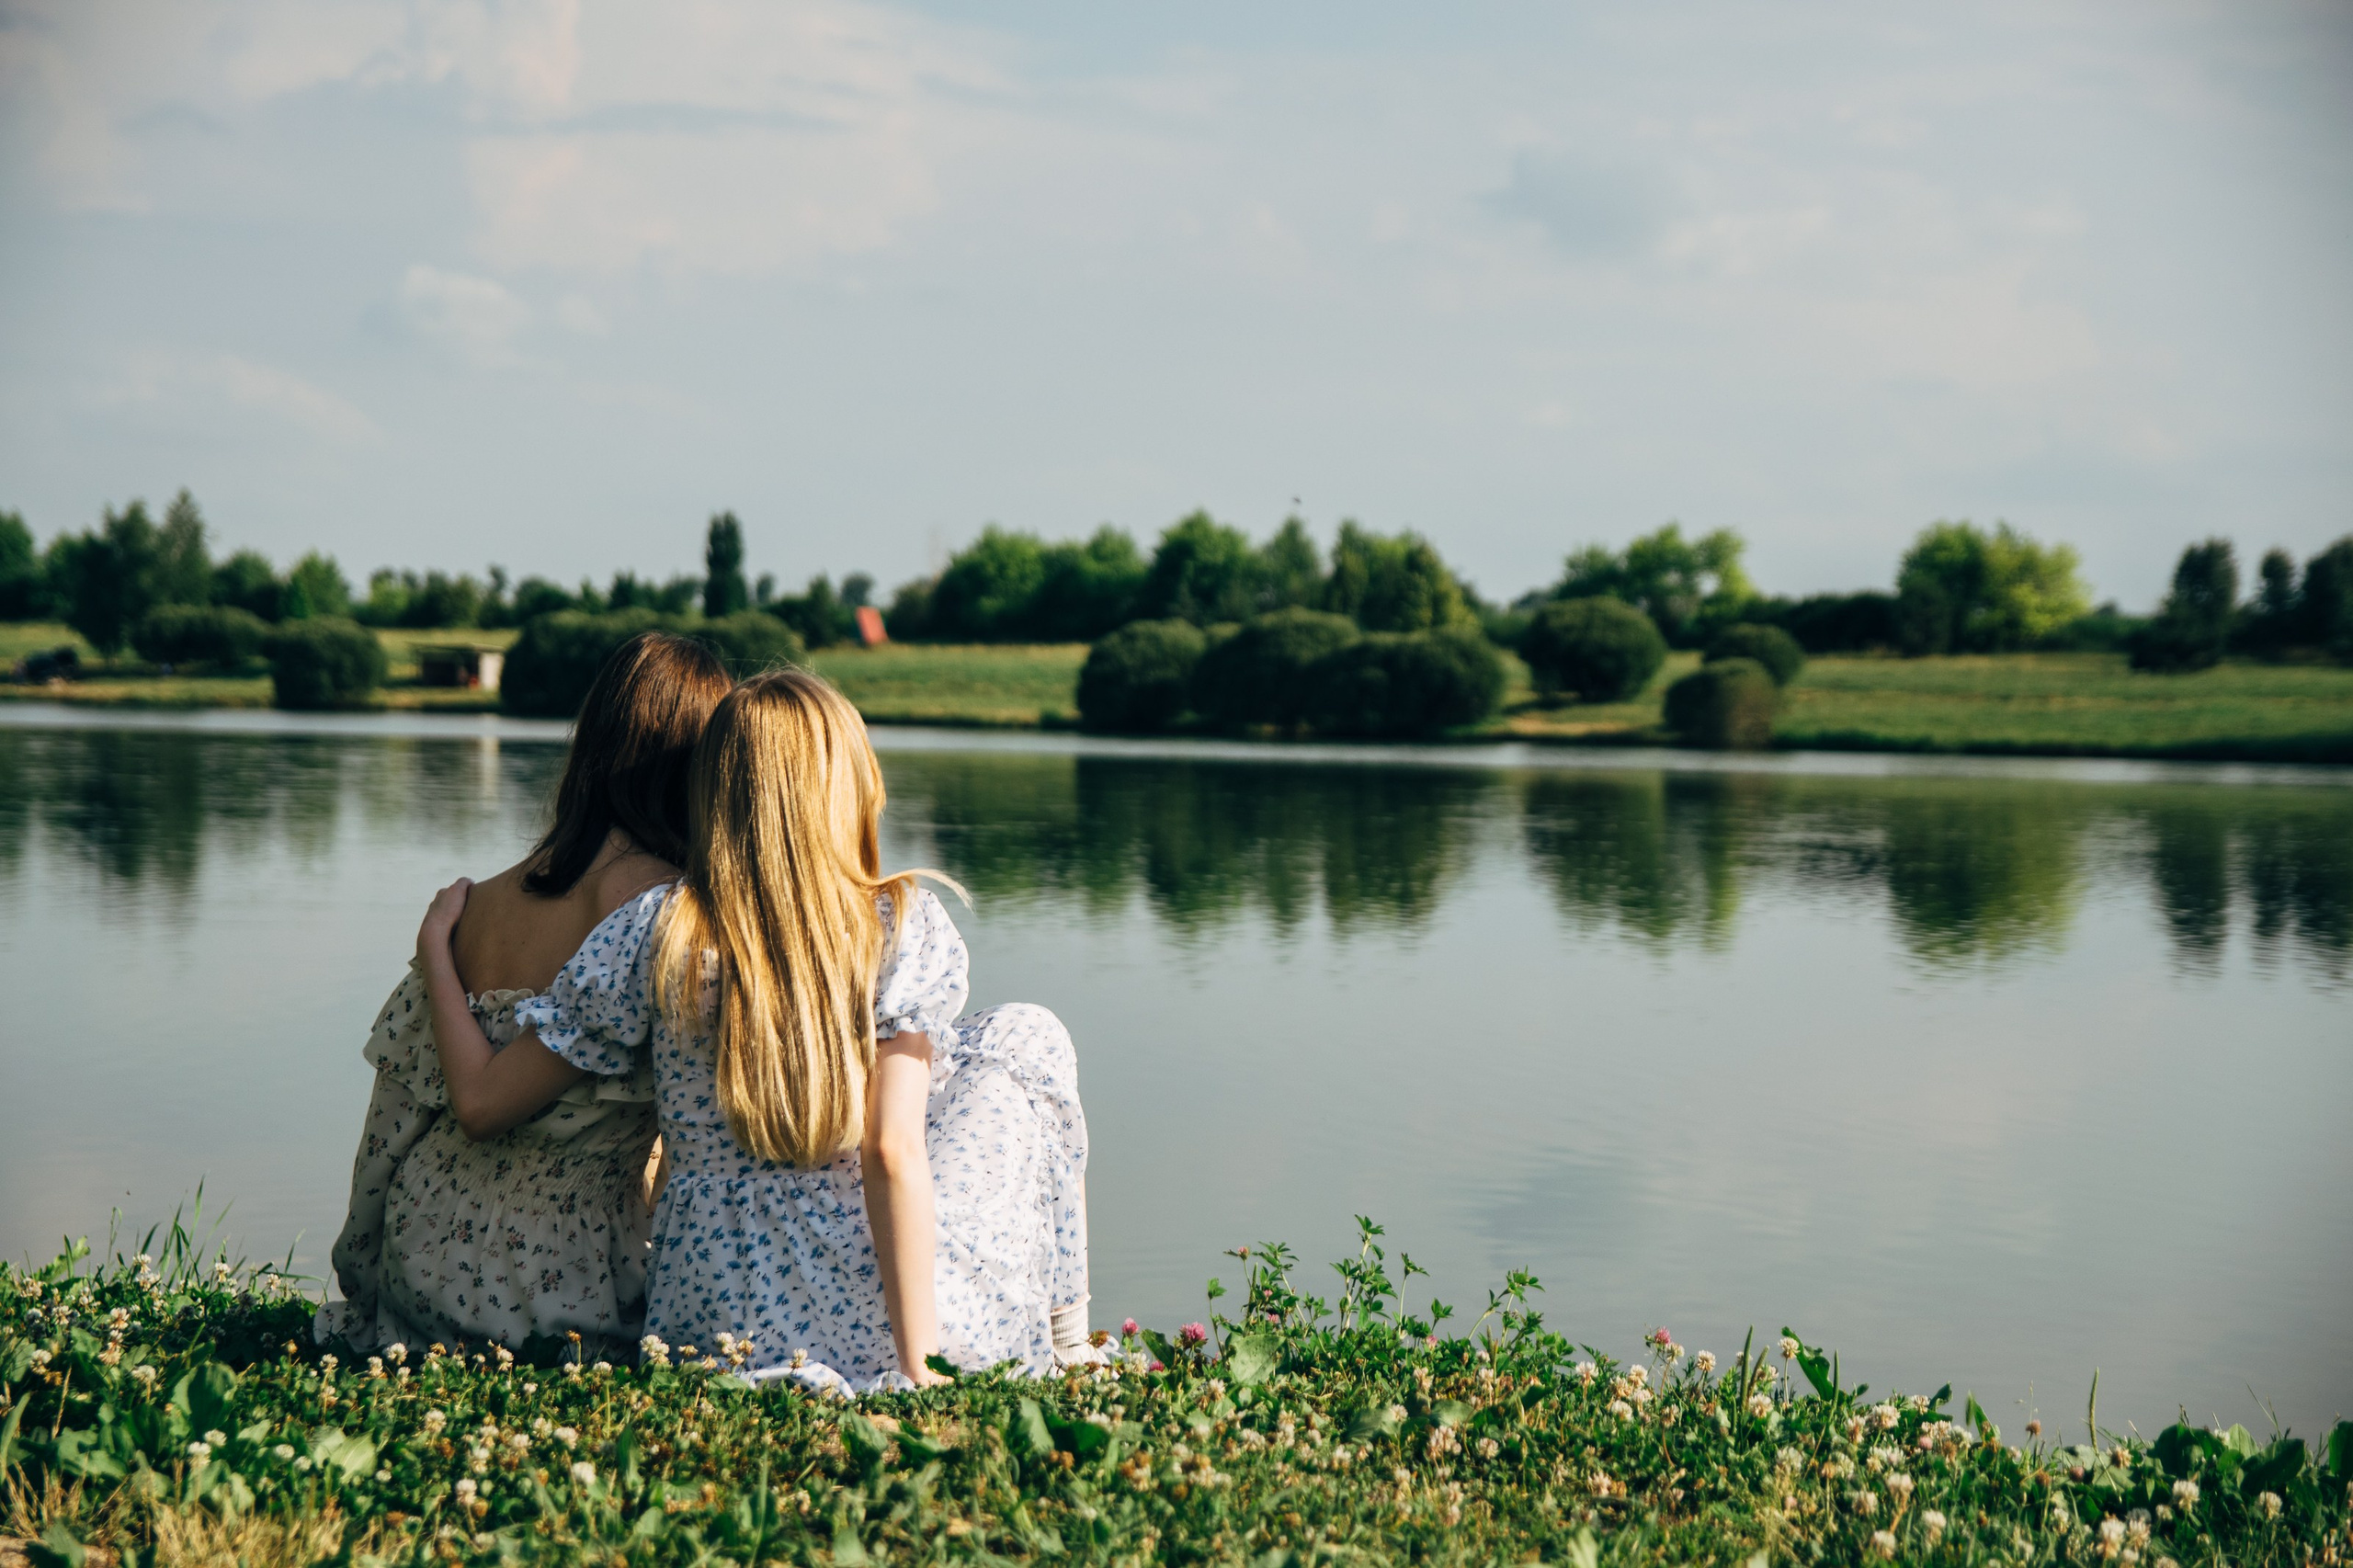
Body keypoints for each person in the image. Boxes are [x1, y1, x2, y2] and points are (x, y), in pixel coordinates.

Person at [448, 667, 1095, 1391]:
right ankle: (1070, 1338)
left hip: (712, 1326)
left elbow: (480, 1105)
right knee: (1025, 1035)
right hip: (871, 1305)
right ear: (847, 787)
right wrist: (919, 1368)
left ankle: (1054, 1339)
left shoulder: (653, 931)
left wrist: (436, 959)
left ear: (715, 796)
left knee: (983, 1046)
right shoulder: (895, 927)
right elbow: (890, 1151)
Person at [315, 631, 733, 1356]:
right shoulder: (661, 911)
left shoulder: (475, 905)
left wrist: (365, 1274)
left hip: (422, 1261)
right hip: (556, 1285)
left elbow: (390, 1128)